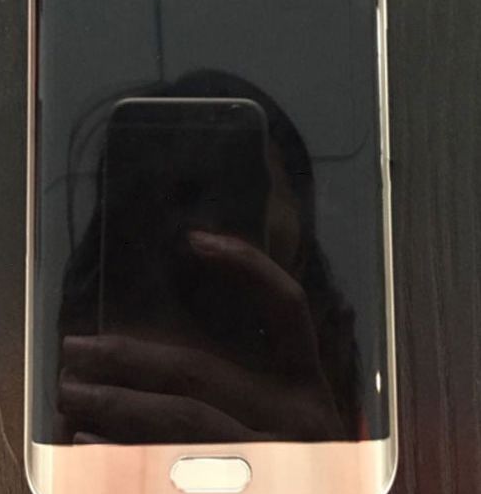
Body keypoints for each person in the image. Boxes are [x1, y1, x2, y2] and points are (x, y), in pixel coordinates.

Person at [56, 70, 361, 444]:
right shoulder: (91, 371)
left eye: (241, 219)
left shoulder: (341, 409)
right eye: (160, 226)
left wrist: (329, 461)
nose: (206, 288)